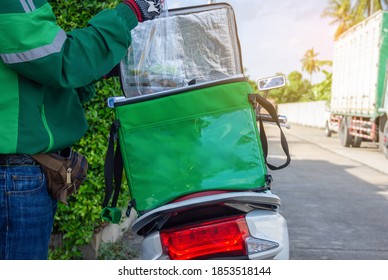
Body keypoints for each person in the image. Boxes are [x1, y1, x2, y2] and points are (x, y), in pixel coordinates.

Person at [0, 0, 162, 260]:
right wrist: (129, 11)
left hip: (17, 176)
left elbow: (38, 81)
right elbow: (63, 61)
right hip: (14, 178)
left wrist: (95, 70)